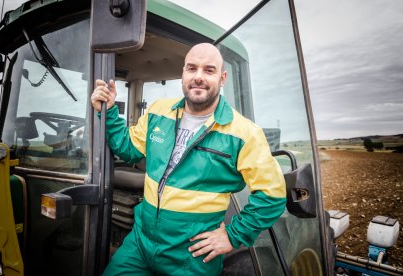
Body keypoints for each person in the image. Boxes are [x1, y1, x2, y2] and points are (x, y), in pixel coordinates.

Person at [91, 43, 286, 275]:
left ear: (222, 78)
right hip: (141, 244)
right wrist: (110, 111)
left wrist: (233, 236)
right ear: (183, 73)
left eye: (209, 70)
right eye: (192, 68)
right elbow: (128, 148)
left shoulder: (244, 133)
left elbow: (272, 194)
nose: (199, 77)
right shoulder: (157, 112)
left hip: (192, 257)